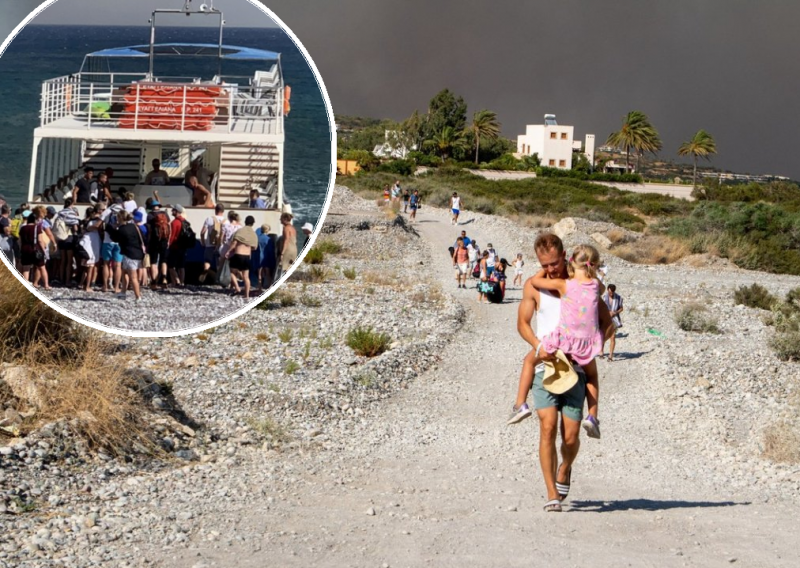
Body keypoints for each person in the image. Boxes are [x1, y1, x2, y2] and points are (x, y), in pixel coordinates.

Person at [513, 234, 613, 512]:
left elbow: (607, 322)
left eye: (555, 263)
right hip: (547, 365)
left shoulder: (583, 285)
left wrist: (594, 347)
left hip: (576, 368)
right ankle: (551, 494)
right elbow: (522, 323)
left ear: (565, 256)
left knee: (570, 437)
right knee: (547, 427)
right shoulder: (536, 287)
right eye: (544, 264)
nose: (551, 269)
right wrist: (537, 345)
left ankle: (565, 467)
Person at [510, 244, 605, 435]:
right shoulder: (596, 286)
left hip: (563, 340)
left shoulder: (565, 285)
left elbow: (535, 282)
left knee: (529, 361)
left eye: (552, 264)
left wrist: (541, 269)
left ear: (568, 259)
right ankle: (593, 416)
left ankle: (520, 404)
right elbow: (602, 307)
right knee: (592, 376)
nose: (550, 268)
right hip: (586, 344)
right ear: (592, 265)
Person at [106, 210, 145, 300]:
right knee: (124, 272)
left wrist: (110, 229)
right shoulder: (134, 226)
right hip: (138, 253)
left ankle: (138, 296)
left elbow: (115, 238)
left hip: (129, 254)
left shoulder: (122, 229)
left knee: (133, 277)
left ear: (120, 218)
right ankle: (123, 292)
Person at [227, 215, 258, 298]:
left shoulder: (240, 231)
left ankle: (237, 288)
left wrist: (228, 251)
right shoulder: (253, 234)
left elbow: (234, 243)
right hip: (247, 257)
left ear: (245, 222)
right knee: (246, 277)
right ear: (253, 223)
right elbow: (254, 247)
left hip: (238, 255)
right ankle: (246, 295)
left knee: (232, 272)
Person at [99, 203, 123, 293]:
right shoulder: (123, 212)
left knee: (106, 264)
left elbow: (99, 224)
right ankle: (116, 287)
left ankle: (105, 286)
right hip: (119, 242)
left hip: (107, 241)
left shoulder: (107, 211)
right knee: (118, 265)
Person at [200, 204, 226, 283]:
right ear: (223, 211)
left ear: (215, 210)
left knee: (207, 261)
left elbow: (202, 232)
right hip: (220, 246)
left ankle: (206, 270)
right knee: (219, 263)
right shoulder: (226, 221)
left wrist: (203, 242)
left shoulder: (209, 219)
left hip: (209, 245)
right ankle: (219, 279)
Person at [167, 204, 189, 286]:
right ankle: (182, 282)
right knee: (181, 266)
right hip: (183, 246)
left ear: (177, 212)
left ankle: (176, 281)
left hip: (175, 246)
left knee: (171, 266)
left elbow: (172, 235)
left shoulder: (174, 222)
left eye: (173, 210)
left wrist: (169, 244)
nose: (171, 211)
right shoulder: (185, 221)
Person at [603, 284, 624, 361]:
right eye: (609, 292)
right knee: (604, 337)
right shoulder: (604, 297)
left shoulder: (618, 298)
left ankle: (610, 356)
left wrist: (615, 312)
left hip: (614, 320)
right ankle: (601, 351)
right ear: (607, 290)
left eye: (612, 293)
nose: (610, 294)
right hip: (605, 319)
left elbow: (621, 308)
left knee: (613, 337)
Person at [256, 223, 276, 292]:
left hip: (258, 257)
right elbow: (270, 250)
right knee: (267, 273)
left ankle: (259, 288)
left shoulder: (257, 238)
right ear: (267, 230)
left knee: (259, 274)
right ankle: (270, 287)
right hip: (266, 257)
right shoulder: (268, 239)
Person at [277, 212, 297, 277]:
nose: (280, 220)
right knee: (290, 267)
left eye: (281, 218)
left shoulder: (286, 228)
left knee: (283, 268)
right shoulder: (293, 228)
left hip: (287, 249)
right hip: (294, 249)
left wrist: (282, 253)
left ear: (285, 219)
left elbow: (286, 240)